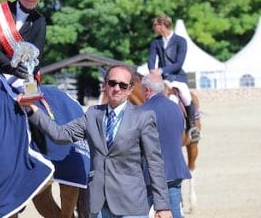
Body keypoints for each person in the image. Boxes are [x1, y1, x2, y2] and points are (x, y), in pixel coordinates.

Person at [19, 65, 172, 218]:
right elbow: (61, 134)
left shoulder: (144, 117)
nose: (116, 89)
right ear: (105, 85)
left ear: (130, 89)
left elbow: (155, 164)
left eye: (123, 85)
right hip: (98, 206)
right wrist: (34, 109)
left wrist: (162, 205)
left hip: (131, 205)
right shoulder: (92, 114)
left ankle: (192, 121)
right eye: (112, 83)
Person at [141, 73, 192, 218]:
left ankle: (195, 125)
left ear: (147, 90)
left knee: (138, 213)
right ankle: (192, 125)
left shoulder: (142, 111)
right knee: (175, 211)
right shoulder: (176, 108)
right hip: (175, 170)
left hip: (150, 174)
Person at [147, 14, 199, 141]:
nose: (153, 27)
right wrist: (152, 71)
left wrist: (161, 70)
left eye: (155, 25)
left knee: (186, 96)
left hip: (177, 77)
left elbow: (178, 63)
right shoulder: (156, 42)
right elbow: (151, 59)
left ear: (162, 25)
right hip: (161, 78)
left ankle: (192, 127)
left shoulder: (181, 41)